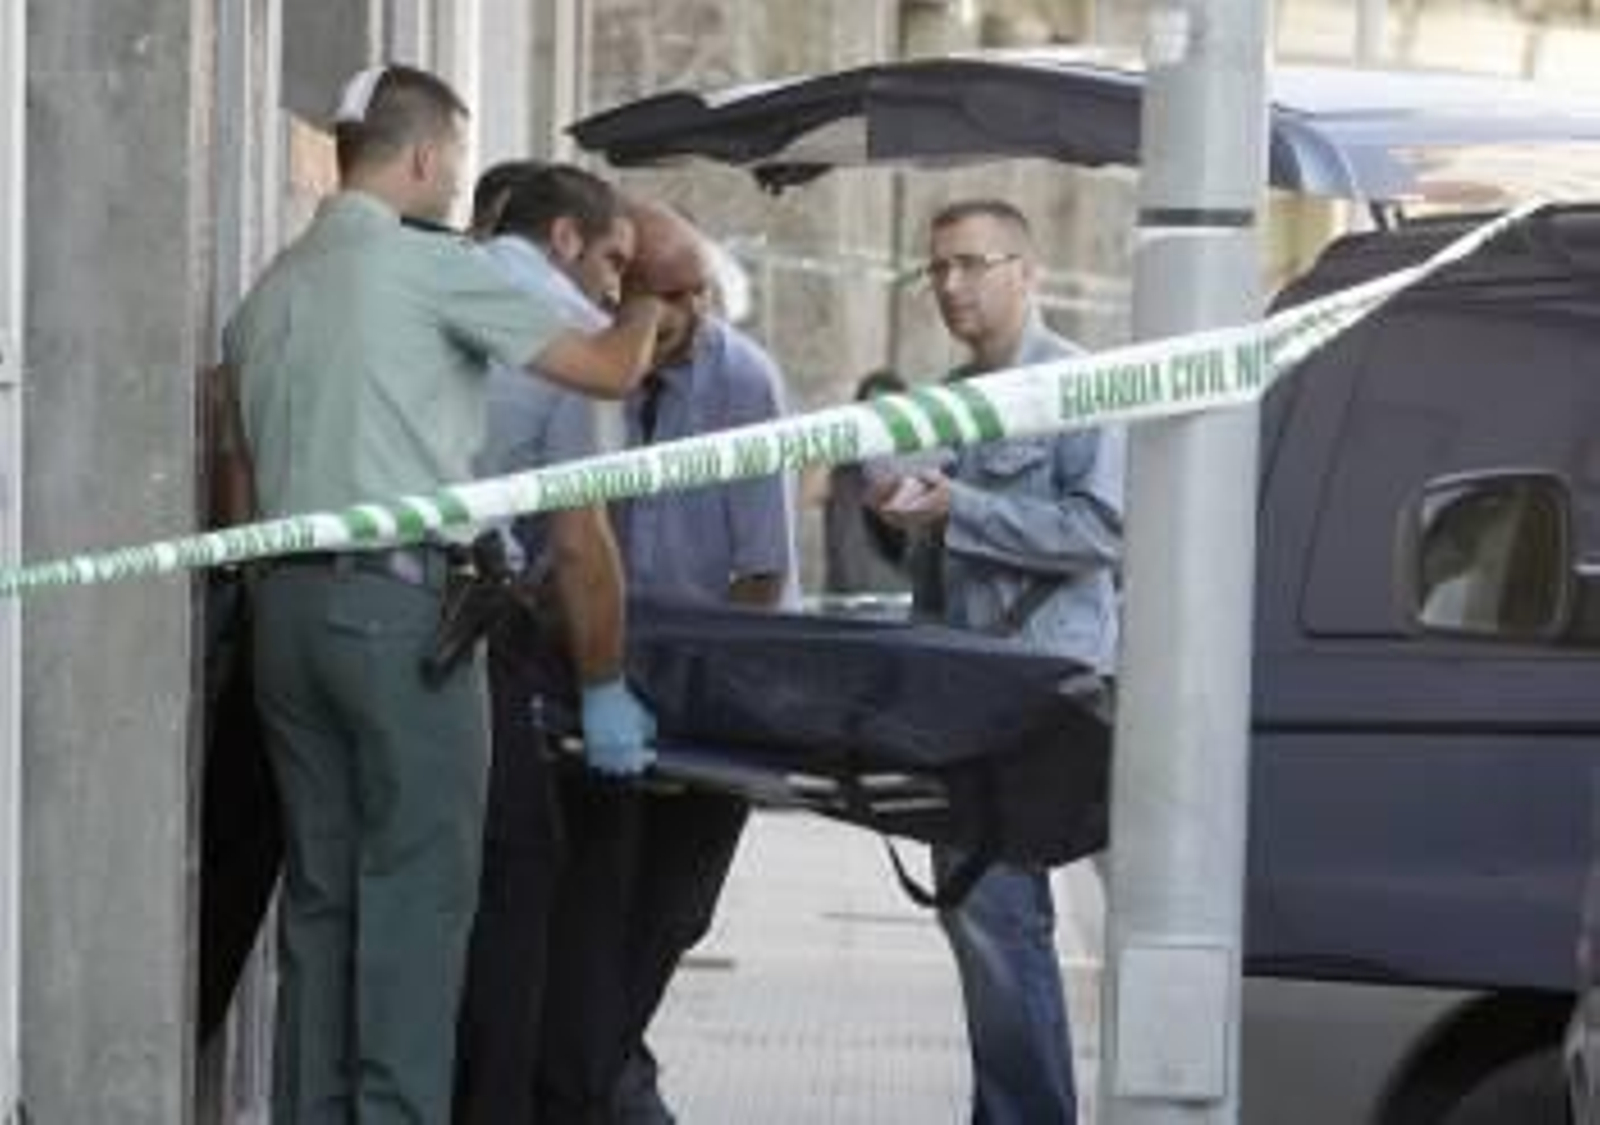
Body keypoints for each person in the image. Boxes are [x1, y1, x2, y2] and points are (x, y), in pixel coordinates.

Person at [223, 64, 662, 1124]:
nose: (458, 184)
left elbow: (238, 470)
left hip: (283, 620)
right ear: (422, 159)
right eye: (455, 163)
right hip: (402, 616)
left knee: (322, 901)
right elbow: (608, 370)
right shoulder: (430, 271)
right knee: (418, 899)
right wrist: (652, 292)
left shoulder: (269, 291)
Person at [538, 201, 798, 1124]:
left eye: (700, 291)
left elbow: (763, 569)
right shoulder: (577, 365)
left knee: (667, 918)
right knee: (585, 925)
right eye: (669, 294)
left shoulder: (744, 384)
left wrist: (714, 702)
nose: (693, 311)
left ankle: (604, 1085)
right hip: (583, 681)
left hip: (698, 690)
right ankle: (604, 1093)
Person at [870, 199, 1125, 1125]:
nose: (950, 285)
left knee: (1004, 922)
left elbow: (1100, 531)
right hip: (961, 691)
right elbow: (937, 567)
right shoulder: (949, 396)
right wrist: (900, 515)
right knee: (980, 919)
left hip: (1047, 689)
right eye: (937, 268)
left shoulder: (1081, 386)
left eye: (971, 264)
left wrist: (959, 511)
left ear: (1028, 271)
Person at [453, 163, 656, 1125]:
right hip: (461, 627)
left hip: (332, 608)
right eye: (612, 259)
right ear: (566, 240)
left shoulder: (433, 277)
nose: (616, 285)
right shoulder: (573, 335)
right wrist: (606, 683)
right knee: (516, 872)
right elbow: (582, 543)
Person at [823, 369, 912, 595]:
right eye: (872, 413)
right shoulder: (844, 470)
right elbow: (808, 493)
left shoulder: (915, 469)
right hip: (843, 600)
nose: (879, 424)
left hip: (894, 602)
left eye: (888, 413)